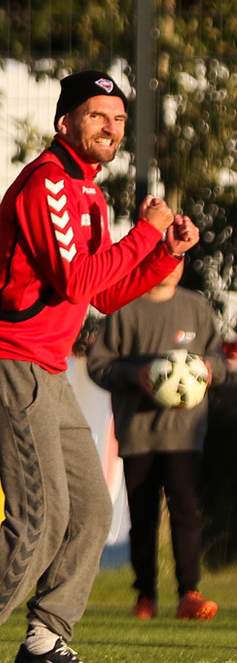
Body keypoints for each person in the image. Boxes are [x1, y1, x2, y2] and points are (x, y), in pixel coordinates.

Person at [0, 70, 200, 663]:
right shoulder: (48, 182)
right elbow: (75, 281)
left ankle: (46, 637)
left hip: (45, 370)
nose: (111, 128)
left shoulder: (88, 193)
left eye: (119, 119)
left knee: (93, 509)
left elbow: (103, 294)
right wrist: (147, 232)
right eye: (98, 115)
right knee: (39, 513)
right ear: (64, 122)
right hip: (9, 362)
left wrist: (165, 254)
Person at [86, 261, 224, 621]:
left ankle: (189, 592)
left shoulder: (196, 306)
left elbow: (219, 359)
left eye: (179, 260)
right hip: (138, 431)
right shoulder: (124, 309)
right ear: (150, 261)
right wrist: (138, 374)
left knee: (184, 508)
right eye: (167, 258)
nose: (173, 267)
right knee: (143, 513)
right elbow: (99, 366)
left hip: (185, 432)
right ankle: (145, 595)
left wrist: (209, 370)